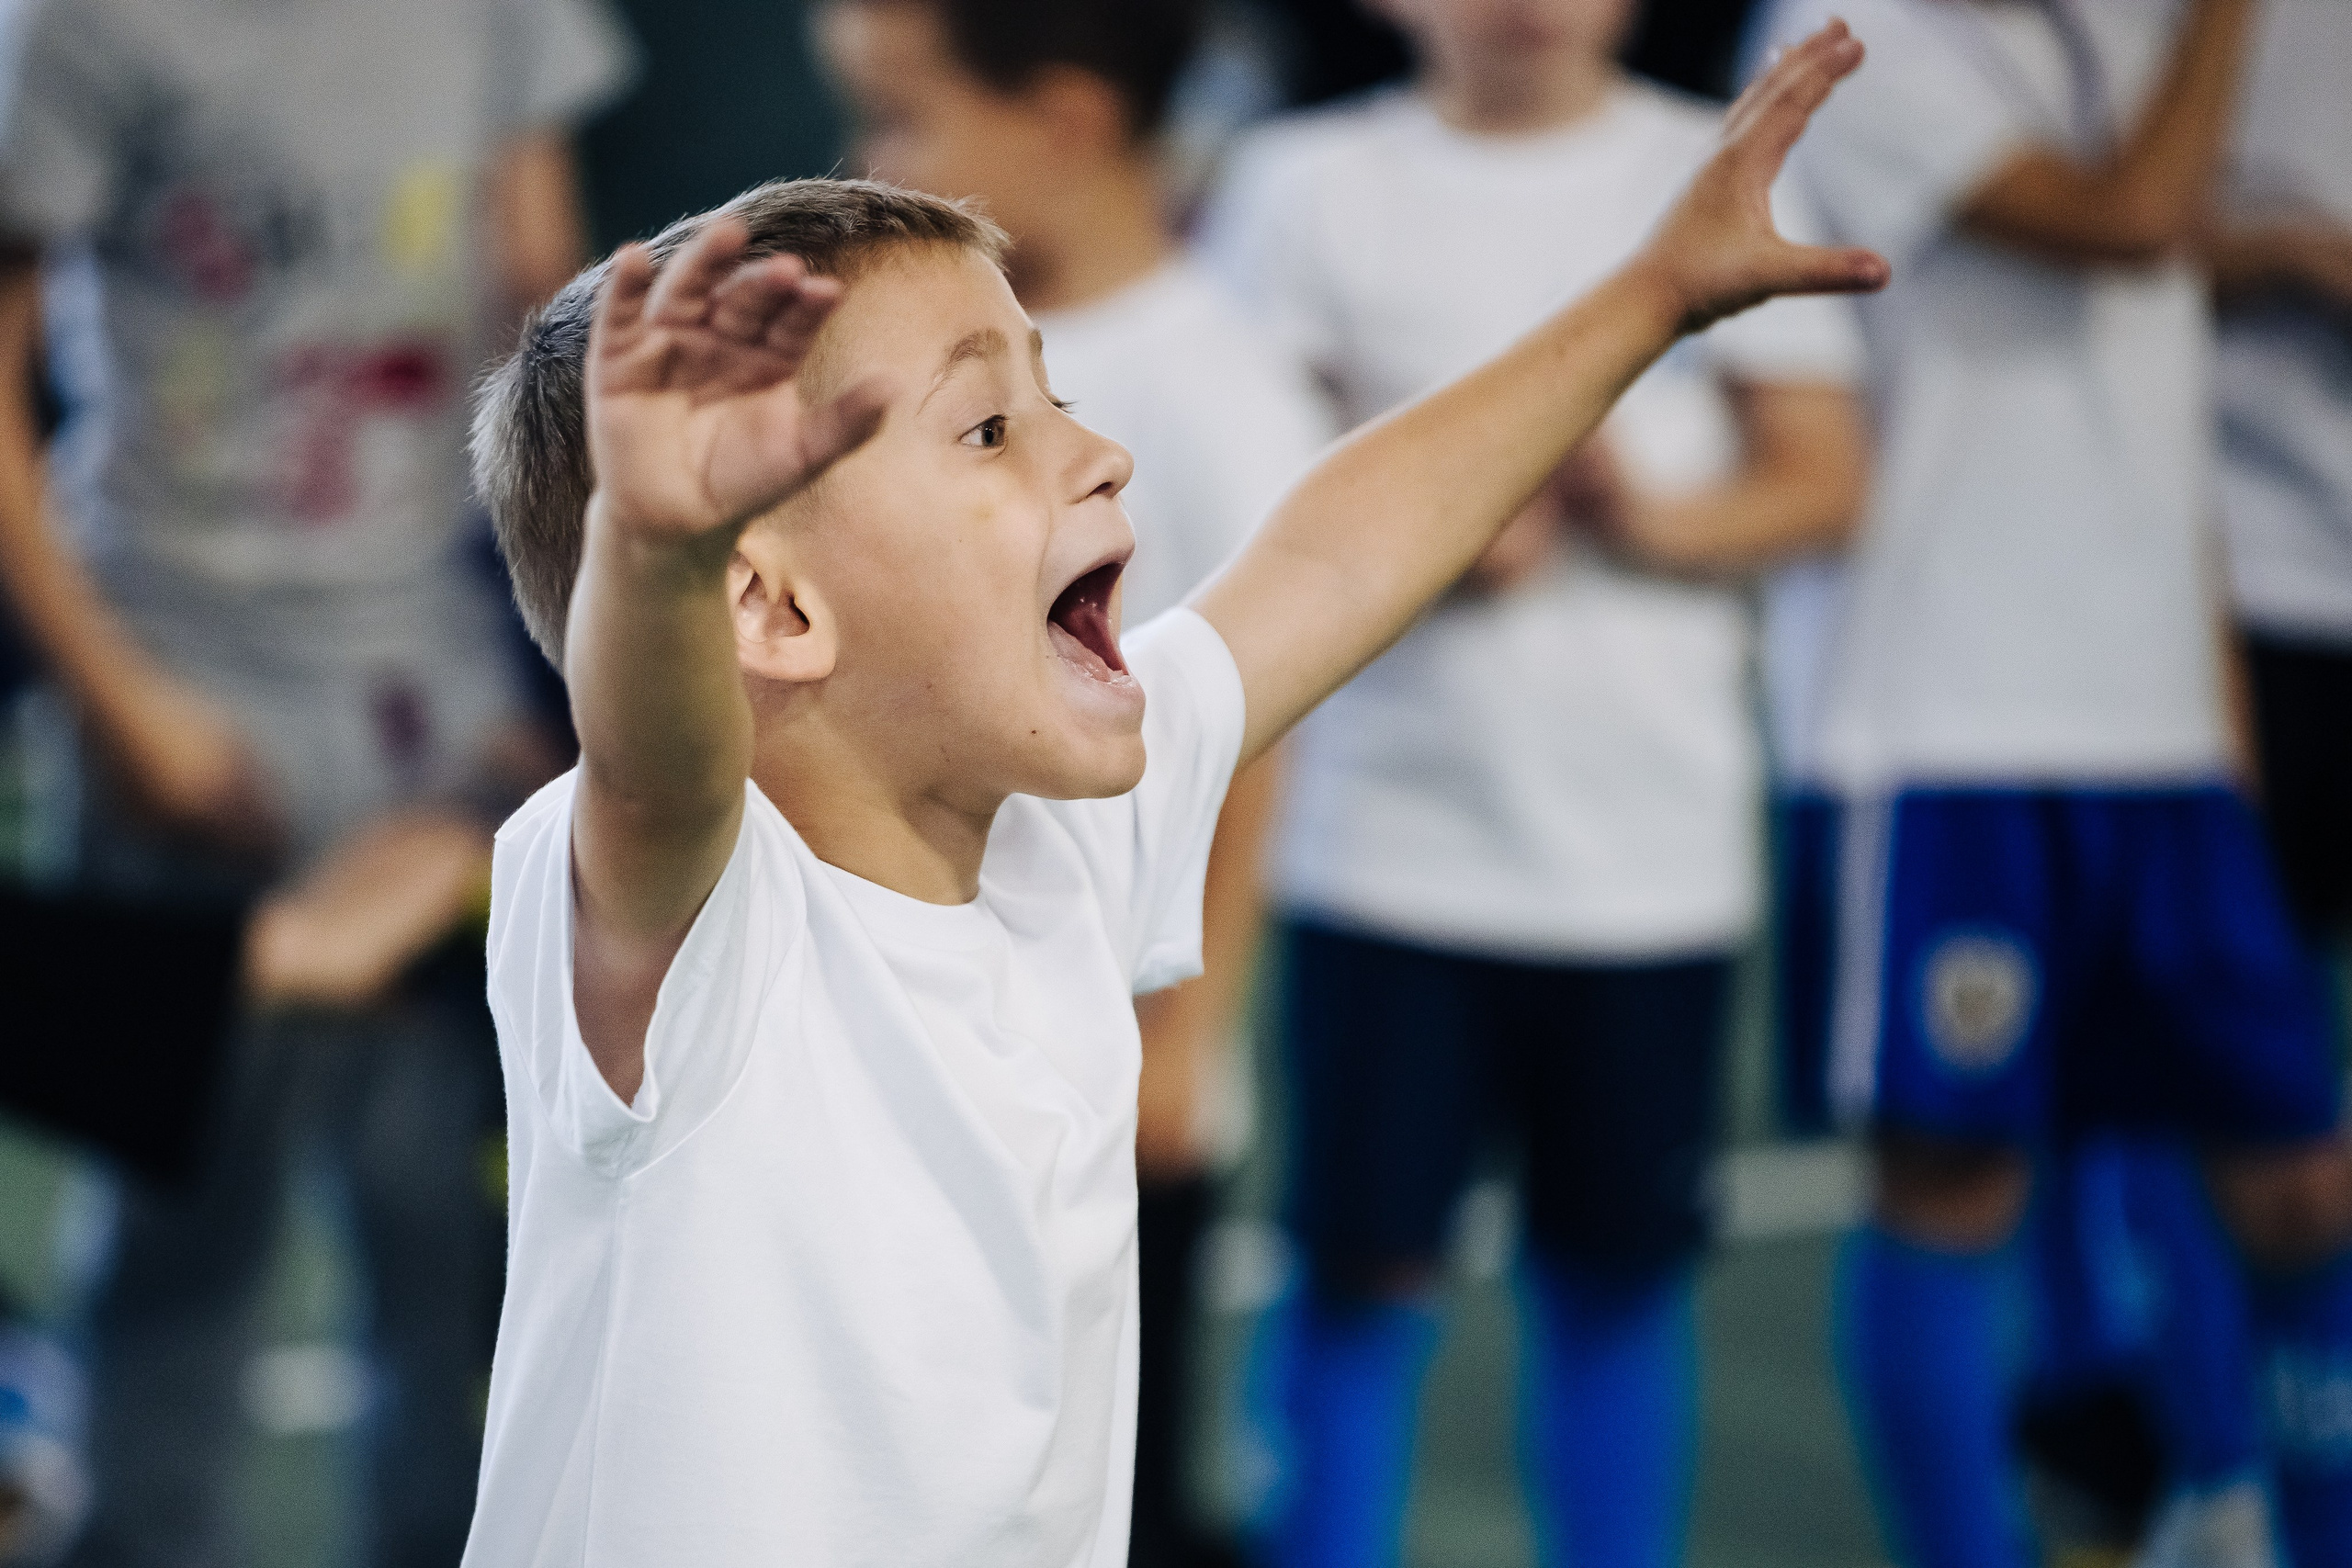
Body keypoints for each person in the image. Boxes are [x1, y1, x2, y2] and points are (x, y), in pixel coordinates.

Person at [457, 24, 1886, 1561]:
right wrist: (658, 554)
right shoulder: (698, 933)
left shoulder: (1058, 842)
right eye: (992, 427)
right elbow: (658, 763)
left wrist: (1651, 297)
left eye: (1055, 390)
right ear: (773, 611)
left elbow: (1333, 553)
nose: (1104, 453)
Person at [1198, 1, 1867, 1562]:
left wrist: (1644, 522)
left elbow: (1826, 476)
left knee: (1619, 1285)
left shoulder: (1710, 170)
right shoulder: (1301, 183)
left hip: (1646, 869)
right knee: (1357, 1276)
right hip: (1386, 859)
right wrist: (1425, 533)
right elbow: (1226, 465)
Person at [0, 0, 633, 1562]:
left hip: (439, 705)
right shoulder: (82, 29)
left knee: (463, 1229)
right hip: (187, 692)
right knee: (186, 1239)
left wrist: (547, 666)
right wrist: (123, 708)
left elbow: (548, 324)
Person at [1747, 0, 2352, 1562]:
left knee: (2300, 1180)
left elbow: (2160, 424)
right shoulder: (1850, 24)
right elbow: (2134, 218)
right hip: (1942, 713)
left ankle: (2275, 1518)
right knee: (1953, 1188)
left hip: (2157, 722)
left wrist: (2218, 726)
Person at [811, 5, 1333, 1559]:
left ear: (1066, 121)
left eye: (904, 119)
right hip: (943, 1034)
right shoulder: (917, 366)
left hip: (1111, 1059)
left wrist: (1188, 1036)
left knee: (1114, 1476)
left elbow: (1246, 734)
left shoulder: (1215, 381)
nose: (871, 163)